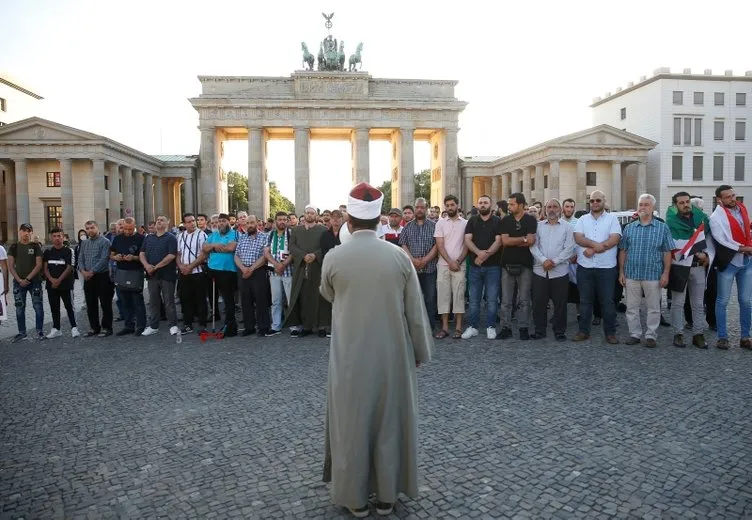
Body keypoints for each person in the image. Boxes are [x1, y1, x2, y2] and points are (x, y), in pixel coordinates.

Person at [319, 182, 433, 518]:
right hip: (392, 353)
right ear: (380, 220)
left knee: (352, 422)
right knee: (388, 422)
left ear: (349, 222)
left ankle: (354, 498)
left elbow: (328, 293)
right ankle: (385, 497)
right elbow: (414, 308)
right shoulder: (398, 256)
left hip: (349, 356)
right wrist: (420, 350)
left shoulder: (334, 257)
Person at [618, 194, 675, 348]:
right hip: (632, 273)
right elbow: (623, 250)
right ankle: (634, 334)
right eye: (641, 204)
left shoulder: (662, 228)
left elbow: (667, 252)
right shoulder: (629, 228)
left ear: (653, 207)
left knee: (654, 308)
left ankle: (651, 335)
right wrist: (621, 272)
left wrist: (666, 273)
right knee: (631, 307)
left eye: (647, 204)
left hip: (653, 274)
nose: (643, 207)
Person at [572, 191, 622, 344]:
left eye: (598, 200)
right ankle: (583, 331)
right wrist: (596, 246)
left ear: (604, 201)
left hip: (606, 267)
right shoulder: (582, 219)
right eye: (592, 200)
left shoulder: (612, 219)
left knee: (607, 301)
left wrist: (594, 249)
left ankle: (610, 333)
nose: (594, 203)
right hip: (585, 267)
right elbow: (578, 238)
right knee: (585, 301)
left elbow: (615, 238)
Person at [708, 185, 752, 350]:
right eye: (728, 197)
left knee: (746, 302)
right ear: (719, 200)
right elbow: (722, 241)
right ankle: (722, 337)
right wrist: (747, 249)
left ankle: (746, 337)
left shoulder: (742, 209)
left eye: (733, 195)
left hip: (746, 262)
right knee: (723, 301)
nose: (733, 199)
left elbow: (746, 230)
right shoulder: (715, 217)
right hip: (728, 263)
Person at [665, 192, 711, 348]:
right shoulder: (670, 222)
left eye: (687, 202)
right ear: (675, 205)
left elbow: (709, 241)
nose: (685, 204)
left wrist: (706, 255)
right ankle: (678, 333)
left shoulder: (702, 220)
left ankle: (698, 334)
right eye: (681, 202)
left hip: (698, 267)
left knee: (698, 303)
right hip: (679, 266)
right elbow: (672, 244)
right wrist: (693, 251)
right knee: (677, 303)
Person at [530, 199, 574, 341]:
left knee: (560, 304)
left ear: (560, 209)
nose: (552, 210)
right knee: (538, 303)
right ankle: (539, 330)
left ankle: (560, 330)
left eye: (555, 207)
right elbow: (533, 246)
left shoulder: (567, 227)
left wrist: (554, 262)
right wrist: (544, 260)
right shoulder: (538, 226)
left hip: (559, 272)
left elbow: (569, 248)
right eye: (549, 207)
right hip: (540, 271)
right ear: (544, 209)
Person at [462, 195, 502, 339]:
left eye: (485, 202)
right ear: (477, 205)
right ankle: (473, 326)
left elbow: (499, 241)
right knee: (474, 299)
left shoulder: (497, 221)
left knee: (492, 299)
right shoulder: (472, 220)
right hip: (475, 266)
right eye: (480, 203)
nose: (483, 205)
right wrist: (478, 253)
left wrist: (485, 255)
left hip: (493, 266)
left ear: (491, 205)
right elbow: (467, 239)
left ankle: (491, 326)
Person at [499, 193, 537, 340]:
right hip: (507, 264)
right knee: (506, 300)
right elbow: (505, 242)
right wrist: (523, 239)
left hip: (525, 264)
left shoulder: (530, 220)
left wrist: (517, 240)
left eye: (512, 204)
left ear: (521, 205)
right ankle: (505, 327)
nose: (509, 207)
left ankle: (523, 328)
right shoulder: (505, 220)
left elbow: (531, 241)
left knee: (524, 300)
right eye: (508, 204)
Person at [285, 205, 327, 337]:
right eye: (307, 213)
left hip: (317, 268)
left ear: (316, 216)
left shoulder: (323, 230)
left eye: (312, 213)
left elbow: (325, 247)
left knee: (319, 297)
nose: (309, 215)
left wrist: (315, 255)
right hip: (301, 267)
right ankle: (306, 326)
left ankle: (321, 326)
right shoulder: (296, 230)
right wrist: (303, 255)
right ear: (304, 214)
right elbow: (292, 246)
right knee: (303, 296)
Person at [399, 198, 439, 333]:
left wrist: (426, 260)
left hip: (430, 269)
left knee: (430, 299)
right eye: (417, 207)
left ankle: (430, 327)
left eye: (422, 207)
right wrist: (413, 260)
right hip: (413, 269)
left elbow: (437, 245)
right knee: (412, 299)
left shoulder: (434, 226)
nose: (419, 210)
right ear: (414, 208)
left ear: (426, 208)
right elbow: (403, 245)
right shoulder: (407, 227)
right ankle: (414, 328)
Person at [199, 213, 239, 337]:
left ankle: (230, 324)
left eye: (223, 221)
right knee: (212, 296)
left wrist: (213, 249)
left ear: (228, 222)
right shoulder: (213, 235)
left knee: (228, 299)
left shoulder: (235, 234)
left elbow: (231, 248)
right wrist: (215, 246)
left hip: (227, 271)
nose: (221, 223)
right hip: (212, 269)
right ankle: (214, 317)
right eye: (219, 221)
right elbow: (204, 248)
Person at [434, 194, 467, 339]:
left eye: (452, 205)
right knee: (443, 295)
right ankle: (445, 327)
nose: (449, 208)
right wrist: (450, 262)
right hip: (443, 265)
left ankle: (459, 327)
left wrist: (458, 262)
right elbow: (439, 245)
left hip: (460, 264)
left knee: (459, 294)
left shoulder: (465, 223)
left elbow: (467, 244)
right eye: (447, 206)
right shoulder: (440, 223)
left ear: (457, 206)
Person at [139, 216, 179, 336]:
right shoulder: (149, 237)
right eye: (157, 220)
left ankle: (173, 325)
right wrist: (146, 266)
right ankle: (153, 325)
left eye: (162, 220)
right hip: (152, 276)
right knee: (153, 301)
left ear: (167, 223)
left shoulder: (171, 238)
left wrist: (155, 267)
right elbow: (142, 253)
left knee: (169, 301)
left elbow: (171, 255)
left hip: (167, 275)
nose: (159, 221)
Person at [8, 223, 44, 342]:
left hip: (34, 281)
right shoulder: (14, 247)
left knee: (38, 306)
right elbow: (11, 266)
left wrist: (28, 279)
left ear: (31, 233)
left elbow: (39, 264)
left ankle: (39, 331)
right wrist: (19, 280)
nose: (26, 233)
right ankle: (22, 332)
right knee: (19, 308)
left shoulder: (35, 246)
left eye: (28, 231)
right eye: (24, 230)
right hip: (18, 282)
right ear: (20, 232)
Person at [110, 217, 146, 336]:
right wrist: (116, 257)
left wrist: (134, 258)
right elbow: (111, 254)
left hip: (135, 271)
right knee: (125, 301)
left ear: (134, 226)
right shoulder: (118, 238)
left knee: (137, 301)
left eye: (130, 229)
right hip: (121, 271)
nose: (127, 231)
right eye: (125, 229)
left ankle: (141, 326)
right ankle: (128, 325)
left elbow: (145, 255)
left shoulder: (141, 238)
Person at [43, 227, 79, 338]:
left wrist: (58, 280)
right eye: (54, 236)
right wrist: (51, 279)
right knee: (54, 307)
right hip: (51, 285)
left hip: (65, 284)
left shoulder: (69, 251)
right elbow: (45, 268)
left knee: (69, 306)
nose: (57, 238)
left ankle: (74, 328)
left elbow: (69, 267)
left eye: (59, 236)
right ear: (51, 238)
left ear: (63, 237)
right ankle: (56, 328)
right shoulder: (48, 252)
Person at [177, 213, 208, 334]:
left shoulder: (202, 235)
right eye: (189, 221)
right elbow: (178, 254)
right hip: (184, 273)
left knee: (200, 298)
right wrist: (181, 267)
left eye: (193, 221)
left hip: (198, 272)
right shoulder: (180, 236)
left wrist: (190, 266)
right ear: (184, 224)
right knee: (185, 299)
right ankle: (187, 323)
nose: (192, 223)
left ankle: (202, 324)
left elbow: (204, 254)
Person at [264, 211, 294, 336]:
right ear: (275, 221)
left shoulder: (292, 233)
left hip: (288, 272)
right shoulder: (270, 234)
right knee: (276, 300)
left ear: (287, 221)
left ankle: (294, 326)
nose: (282, 222)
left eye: (284, 219)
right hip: (274, 272)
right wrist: (276, 264)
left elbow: (294, 251)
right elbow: (266, 252)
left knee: (290, 299)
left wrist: (283, 264)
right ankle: (276, 326)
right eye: (279, 219)